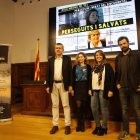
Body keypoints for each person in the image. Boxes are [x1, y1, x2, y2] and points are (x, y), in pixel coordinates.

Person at [115, 36, 140, 140]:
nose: (123, 46)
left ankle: (139, 132)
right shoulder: (118, 58)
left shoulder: (137, 55)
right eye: (121, 44)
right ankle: (126, 132)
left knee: (137, 110)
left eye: (124, 43)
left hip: (135, 88)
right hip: (123, 88)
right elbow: (117, 73)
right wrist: (117, 84)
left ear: (128, 43)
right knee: (125, 111)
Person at [46, 43, 73, 135]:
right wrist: (47, 86)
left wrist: (70, 85)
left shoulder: (67, 59)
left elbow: (70, 73)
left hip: (63, 84)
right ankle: (55, 125)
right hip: (53, 84)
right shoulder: (50, 60)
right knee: (54, 105)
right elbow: (48, 74)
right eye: (56, 48)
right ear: (54, 50)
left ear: (63, 50)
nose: (58, 49)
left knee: (66, 105)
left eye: (60, 48)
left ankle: (67, 125)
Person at [89, 50, 115, 136]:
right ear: (95, 57)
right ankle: (98, 126)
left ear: (103, 56)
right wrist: (89, 88)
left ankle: (104, 127)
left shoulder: (107, 66)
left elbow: (112, 79)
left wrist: (111, 90)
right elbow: (90, 79)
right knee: (93, 108)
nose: (98, 56)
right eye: (97, 55)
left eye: (100, 55)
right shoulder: (93, 67)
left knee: (104, 109)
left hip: (104, 90)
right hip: (94, 90)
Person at [72, 52, 91, 132]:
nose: (80, 58)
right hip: (77, 87)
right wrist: (72, 89)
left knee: (84, 107)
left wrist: (90, 89)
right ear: (77, 59)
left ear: (84, 58)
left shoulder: (88, 67)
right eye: (79, 57)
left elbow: (90, 79)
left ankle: (82, 124)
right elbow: (72, 78)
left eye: (81, 57)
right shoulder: (75, 67)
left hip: (85, 87)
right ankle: (78, 124)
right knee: (79, 107)